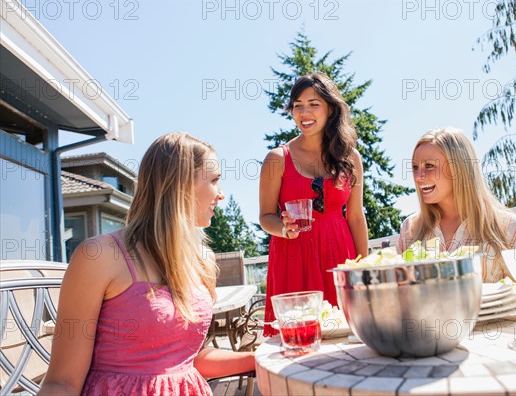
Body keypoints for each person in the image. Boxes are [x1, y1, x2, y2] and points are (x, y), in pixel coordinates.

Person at [39, 133, 255, 396]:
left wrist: (259, 359)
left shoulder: (202, 260)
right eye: (214, 180)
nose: (221, 194)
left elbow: (186, 361)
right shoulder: (99, 256)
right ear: (181, 185)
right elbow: (61, 383)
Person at [259, 72, 369, 336]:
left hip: (339, 255)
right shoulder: (277, 158)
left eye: (313, 103)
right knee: (297, 339)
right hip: (293, 257)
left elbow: (355, 216)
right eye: (298, 105)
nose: (304, 112)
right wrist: (284, 228)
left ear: (330, 109)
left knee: (345, 335)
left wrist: (364, 268)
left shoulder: (350, 158)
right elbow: (265, 216)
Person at [397, 127, 516, 283]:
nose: (418, 177)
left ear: (459, 168)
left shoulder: (511, 227)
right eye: (415, 168)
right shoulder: (409, 229)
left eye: (429, 166)